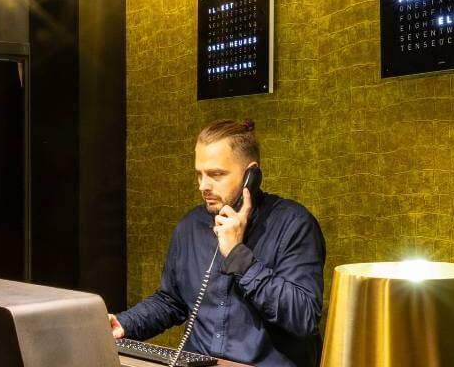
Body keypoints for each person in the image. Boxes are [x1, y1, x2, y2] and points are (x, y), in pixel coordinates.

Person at [109, 119, 325, 366]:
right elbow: (171, 301)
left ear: (251, 175)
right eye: (199, 175)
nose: (203, 186)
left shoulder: (294, 224)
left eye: (216, 174)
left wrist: (238, 256)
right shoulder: (191, 226)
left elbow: (304, 317)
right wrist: (124, 323)